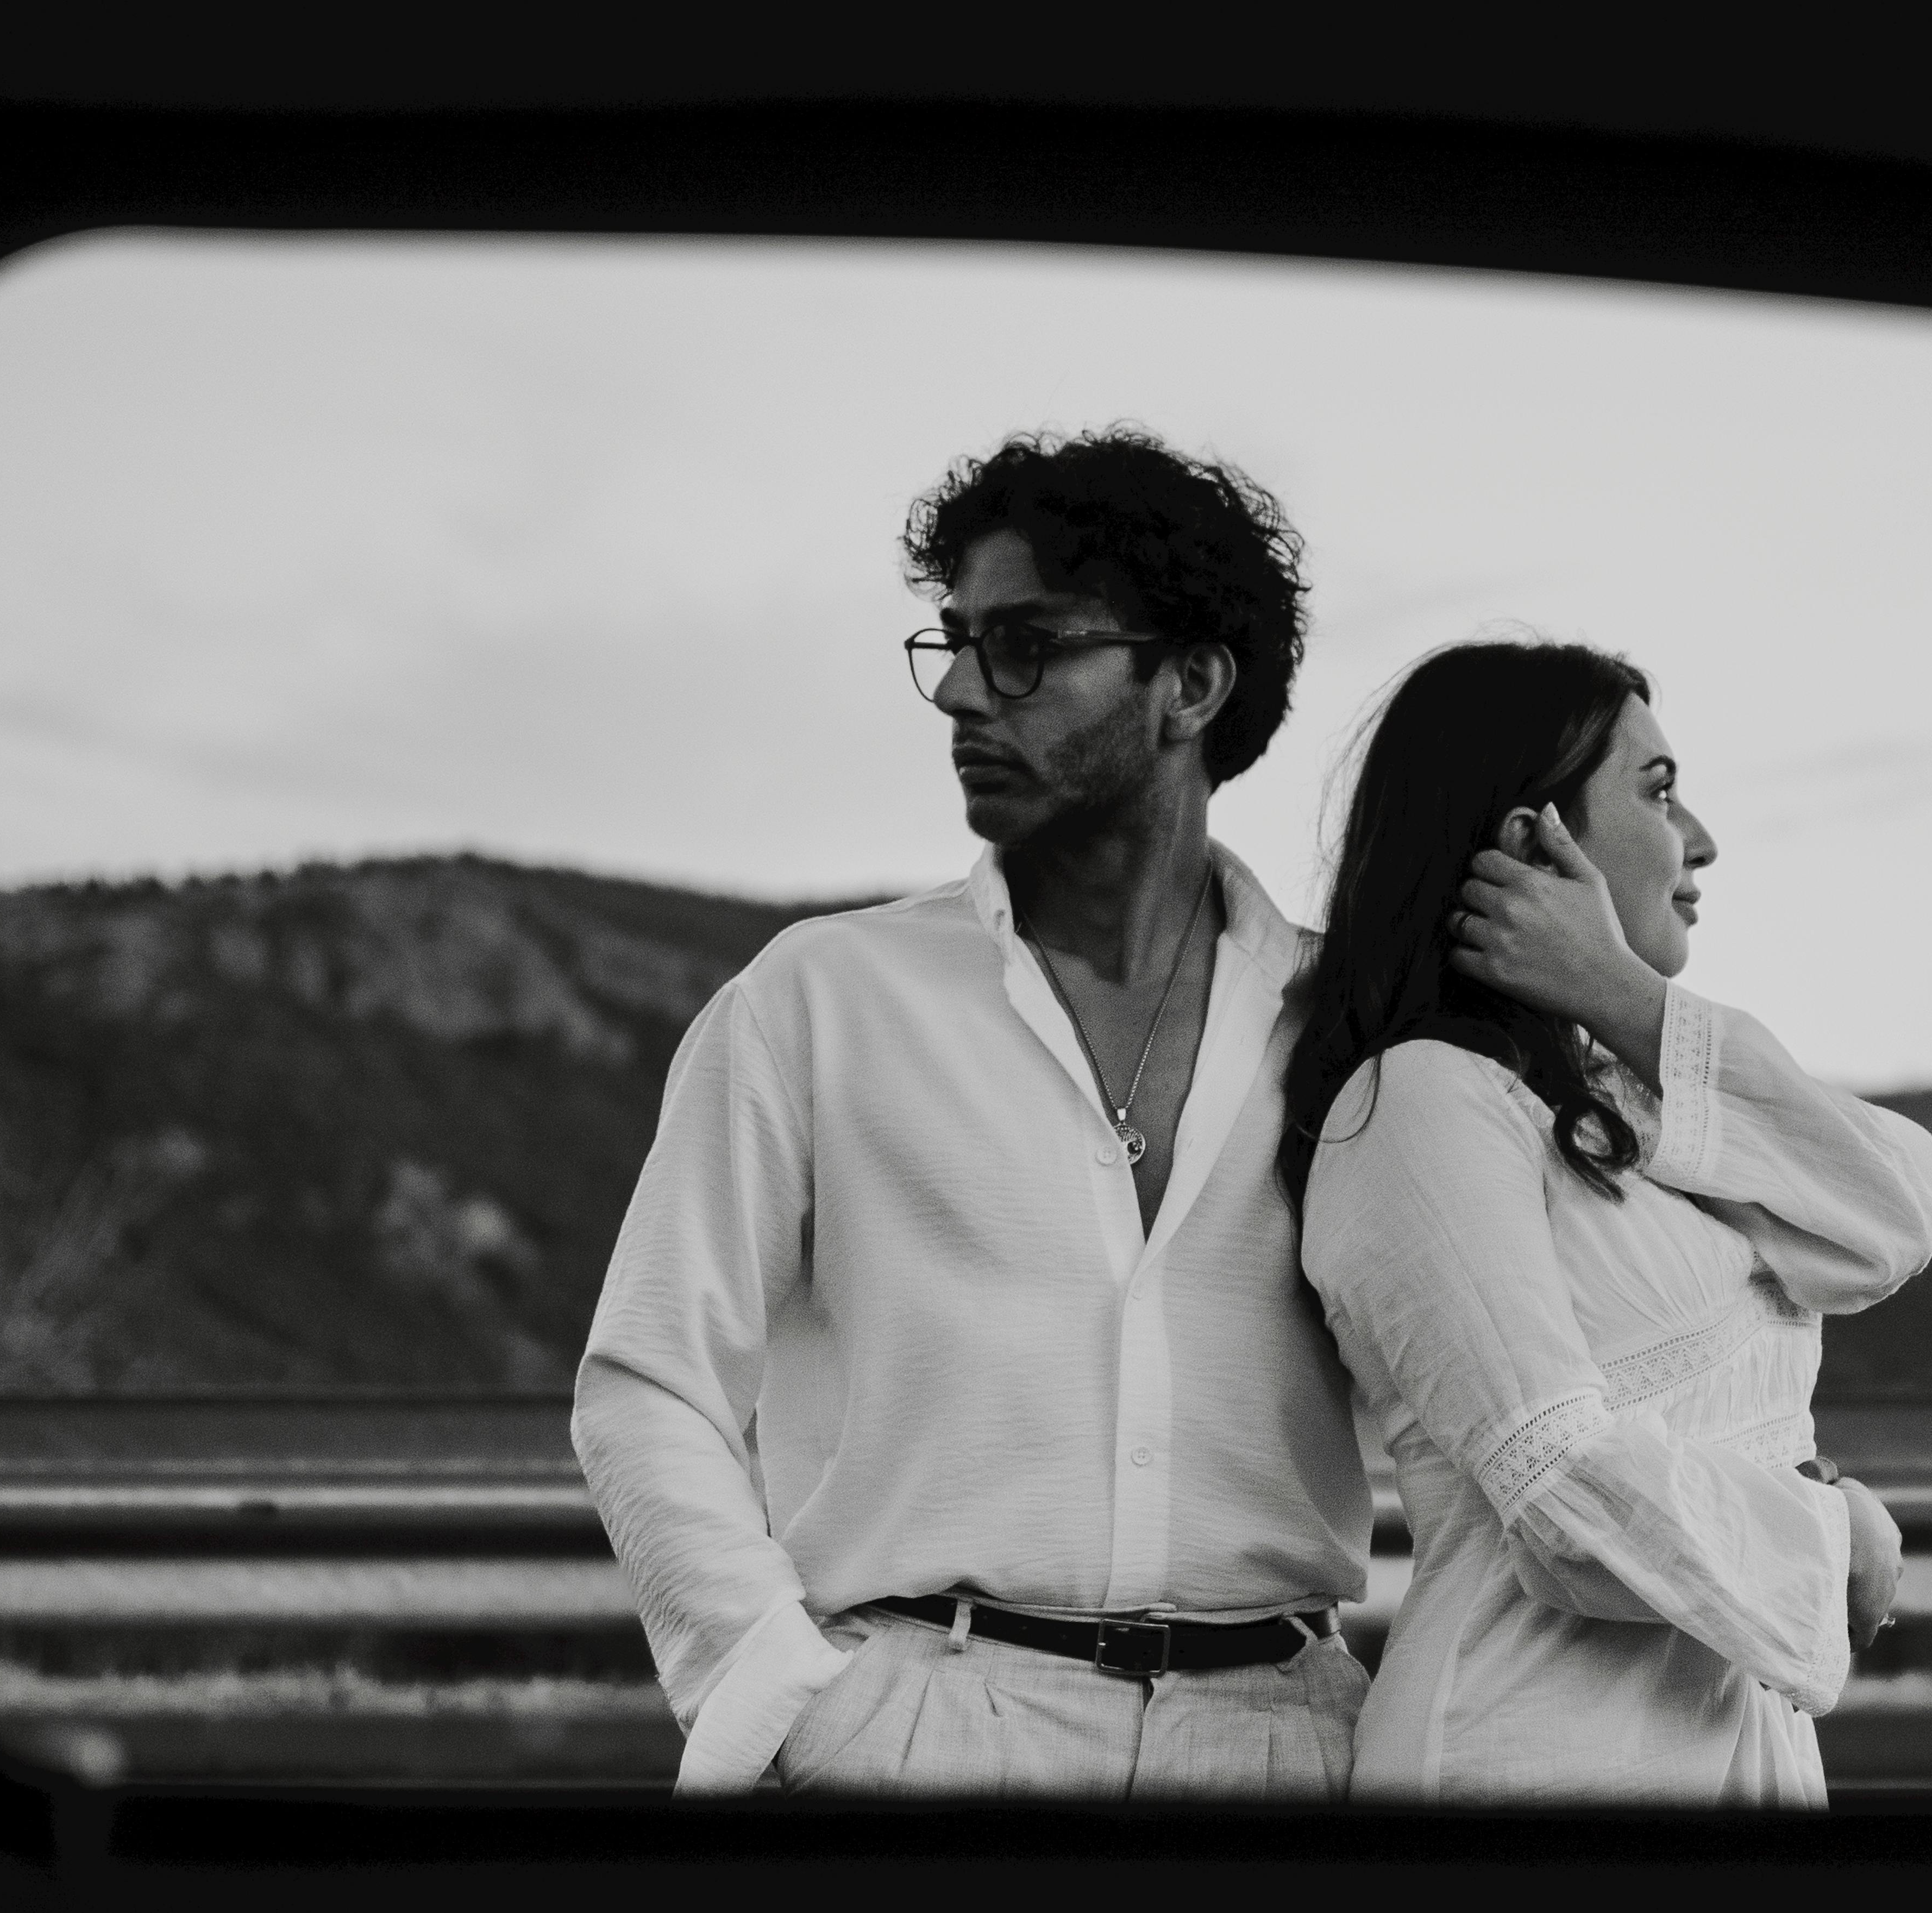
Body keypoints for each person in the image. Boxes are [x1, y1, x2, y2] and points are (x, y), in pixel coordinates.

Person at [574, 430, 1374, 1798]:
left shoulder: (1348, 1024)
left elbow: (1483, 1383)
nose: (959, 693)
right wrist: (783, 1700)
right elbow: (652, 1383)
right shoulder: (819, 998)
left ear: (1189, 682)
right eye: (951, 643)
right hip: (916, 1732)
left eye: (1026, 648)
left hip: (1282, 1745)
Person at [1283, 643, 1932, 1807]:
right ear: (1532, 838)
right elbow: (1556, 1484)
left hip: (1723, 1737)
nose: (1699, 837)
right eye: (1656, 787)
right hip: (1532, 1747)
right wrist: (1834, 1532)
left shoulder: (1629, 1101)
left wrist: (1624, 999)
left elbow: (1890, 1215)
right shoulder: (1420, 1106)